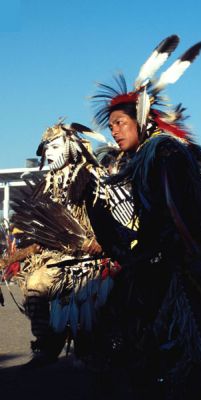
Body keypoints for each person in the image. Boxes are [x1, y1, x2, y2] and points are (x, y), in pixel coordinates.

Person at [88, 35, 201, 399]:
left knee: (184, 328)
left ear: (140, 118)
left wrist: (165, 252)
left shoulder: (163, 152)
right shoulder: (149, 154)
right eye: (111, 125)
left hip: (195, 252)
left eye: (121, 122)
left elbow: (178, 212)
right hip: (180, 247)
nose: (114, 130)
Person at [11, 120, 129, 369]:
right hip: (58, 257)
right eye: (46, 149)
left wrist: (100, 240)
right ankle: (46, 344)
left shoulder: (90, 175)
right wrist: (22, 252)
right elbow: (39, 228)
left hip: (95, 256)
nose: (49, 153)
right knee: (34, 284)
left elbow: (112, 214)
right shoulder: (46, 185)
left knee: (103, 314)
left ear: (71, 146)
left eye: (55, 146)